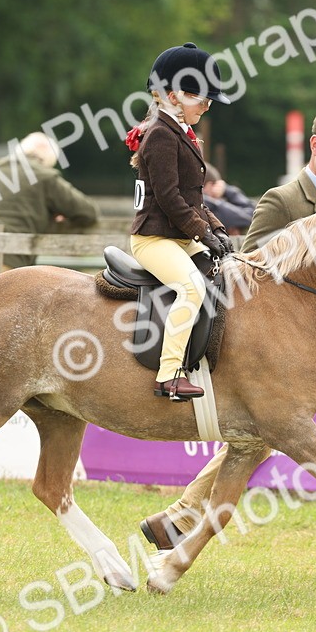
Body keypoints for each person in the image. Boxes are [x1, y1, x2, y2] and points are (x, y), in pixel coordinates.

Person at [139, 106, 316, 570]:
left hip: (307, 347)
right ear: (315, 145)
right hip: (268, 347)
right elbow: (243, 274)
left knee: (281, 432)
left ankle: (180, 516)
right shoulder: (282, 199)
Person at [126, 42, 233, 401]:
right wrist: (202, 232)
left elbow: (194, 197)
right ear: (171, 95)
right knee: (192, 288)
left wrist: (216, 228)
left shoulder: (183, 134)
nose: (207, 105)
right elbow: (171, 200)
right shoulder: (159, 134)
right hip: (155, 239)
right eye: (199, 97)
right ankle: (169, 374)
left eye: (208, 99)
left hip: (179, 237)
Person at [0, 132, 100, 269]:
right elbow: (88, 212)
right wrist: (52, 214)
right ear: (49, 159)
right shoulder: (45, 175)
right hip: (9, 261)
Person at [202, 163, 254, 233]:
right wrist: (228, 191)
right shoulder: (208, 204)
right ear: (211, 185)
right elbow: (250, 217)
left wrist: (226, 191)